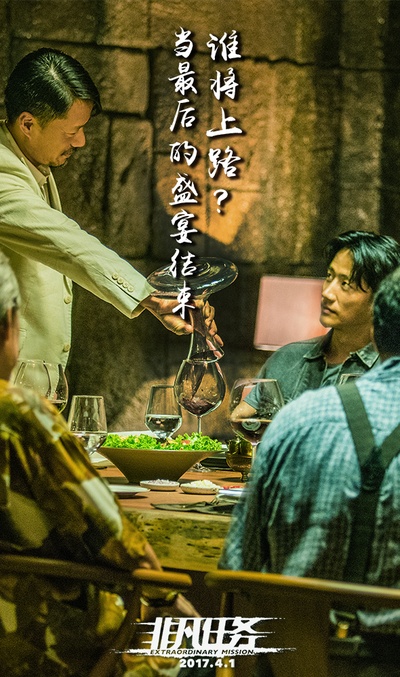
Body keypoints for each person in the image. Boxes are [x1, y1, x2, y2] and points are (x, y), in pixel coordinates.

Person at [0, 250, 197, 676]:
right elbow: (119, 541)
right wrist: (169, 599)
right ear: (10, 325)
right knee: (201, 651)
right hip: (40, 639)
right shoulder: (18, 413)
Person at [220, 266, 400, 675]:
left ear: (376, 331)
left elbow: (238, 566)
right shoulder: (290, 370)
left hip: (298, 664)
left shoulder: (296, 420)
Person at [0, 47, 219, 367]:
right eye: (72, 131)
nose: (81, 142)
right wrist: (151, 295)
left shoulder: (29, 162)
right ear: (28, 124)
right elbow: (66, 240)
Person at [254, 230, 400, 403]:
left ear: (378, 297)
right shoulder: (287, 358)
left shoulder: (389, 372)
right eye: (329, 276)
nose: (327, 293)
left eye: (345, 284)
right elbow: (246, 415)